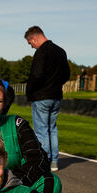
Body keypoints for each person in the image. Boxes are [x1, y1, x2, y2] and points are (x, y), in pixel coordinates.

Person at [24, 26, 70, 172]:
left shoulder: (41, 52)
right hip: (56, 95)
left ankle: (44, 161)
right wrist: (56, 85)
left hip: (41, 96)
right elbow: (66, 75)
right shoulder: (60, 51)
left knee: (41, 130)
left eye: (30, 43)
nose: (31, 46)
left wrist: (29, 91)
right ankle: (54, 161)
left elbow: (36, 75)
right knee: (52, 128)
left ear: (34, 38)